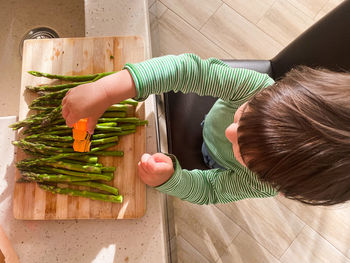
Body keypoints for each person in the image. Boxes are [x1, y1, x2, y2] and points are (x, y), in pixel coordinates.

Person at [62, 53, 350, 206]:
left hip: (215, 160)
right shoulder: (257, 89)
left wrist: (172, 178)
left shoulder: (260, 183)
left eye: (244, 153)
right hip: (211, 123)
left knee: (214, 152)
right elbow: (187, 71)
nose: (230, 132)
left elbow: (211, 189)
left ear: (280, 190)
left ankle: (212, 152)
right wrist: (105, 91)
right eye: (242, 117)